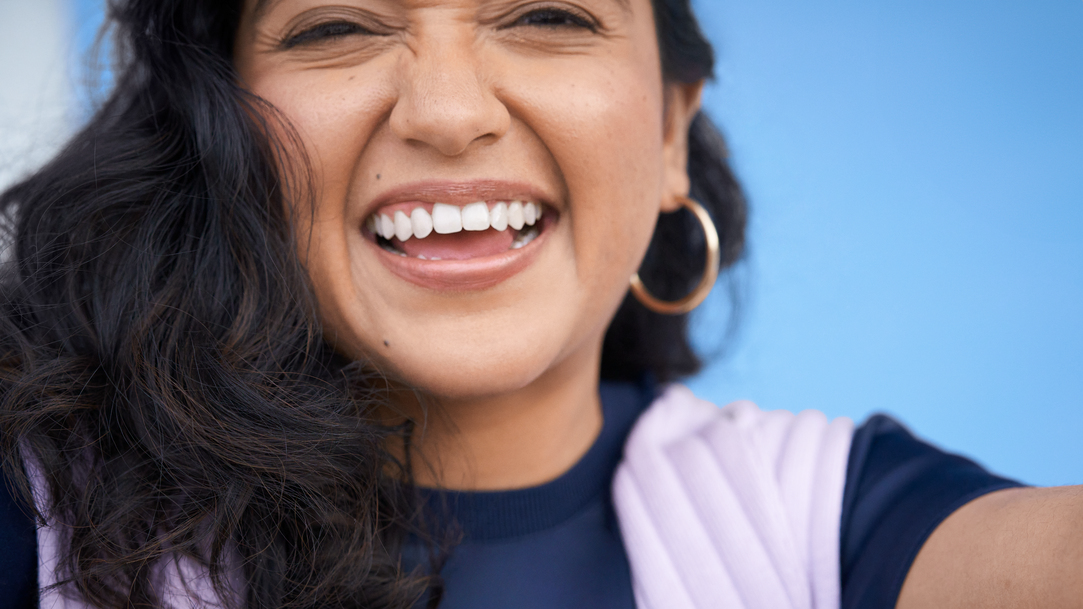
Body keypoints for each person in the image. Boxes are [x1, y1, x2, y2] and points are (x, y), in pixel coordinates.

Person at [0, 0, 1080, 608]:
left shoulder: (829, 525)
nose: (449, 110)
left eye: (549, 12)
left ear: (669, 131)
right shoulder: (39, 508)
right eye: (335, 26)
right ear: (215, 128)